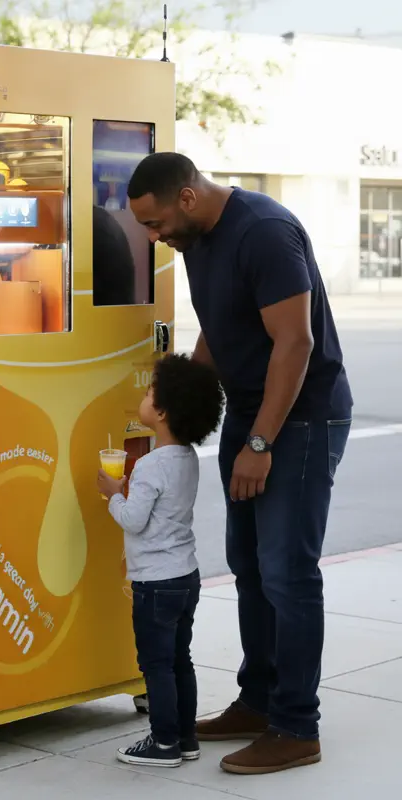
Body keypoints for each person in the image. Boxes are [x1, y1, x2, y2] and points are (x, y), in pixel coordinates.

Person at [126, 152, 353, 775]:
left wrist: (260, 445)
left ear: (189, 198)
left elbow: (296, 341)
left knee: (287, 572)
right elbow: (219, 329)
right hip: (251, 415)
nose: (154, 236)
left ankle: (296, 726)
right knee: (249, 566)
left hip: (299, 418)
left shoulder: (263, 231)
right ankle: (258, 702)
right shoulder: (198, 239)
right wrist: (181, 400)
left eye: (156, 222)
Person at [97, 353, 224, 768]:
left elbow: (133, 521)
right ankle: (186, 738)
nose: (145, 395)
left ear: (163, 411)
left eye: (151, 392)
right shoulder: (187, 459)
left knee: (155, 665)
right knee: (179, 659)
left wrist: (113, 492)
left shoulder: (150, 465)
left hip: (154, 583)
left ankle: (163, 742)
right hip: (185, 577)